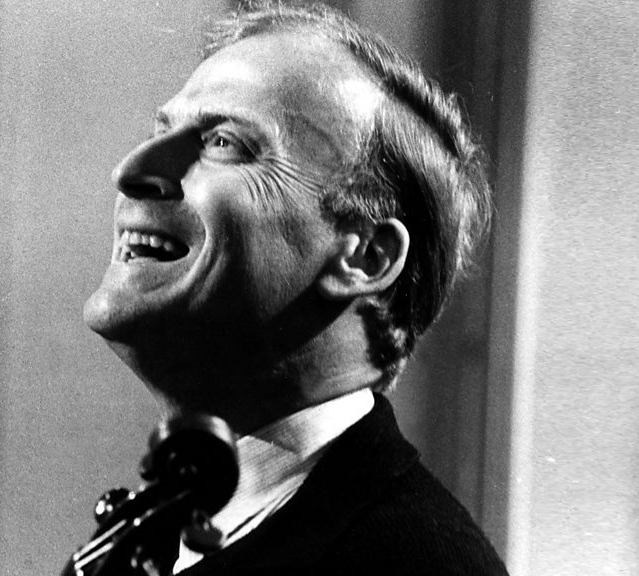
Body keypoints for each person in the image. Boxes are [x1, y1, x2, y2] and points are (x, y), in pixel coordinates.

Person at [83, 2, 508, 574]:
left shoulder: (418, 563)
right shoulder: (160, 534)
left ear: (365, 256)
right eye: (162, 131)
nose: (132, 171)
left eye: (224, 143)